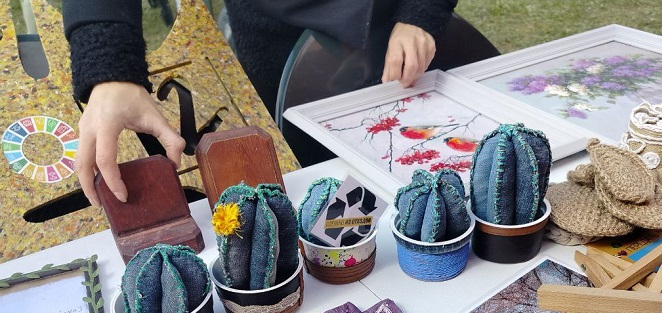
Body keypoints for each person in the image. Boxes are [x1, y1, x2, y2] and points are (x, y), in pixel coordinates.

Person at [62, 0, 457, 208]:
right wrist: (110, 68)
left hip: (405, 34)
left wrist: (422, 11)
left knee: (430, 180)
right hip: (278, 42)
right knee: (318, 194)